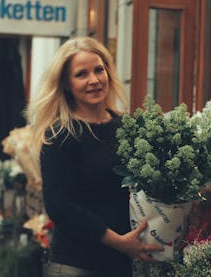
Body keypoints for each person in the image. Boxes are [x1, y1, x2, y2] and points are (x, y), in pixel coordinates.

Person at [27, 37, 163, 277]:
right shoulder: (61, 134)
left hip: (123, 263)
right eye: (81, 74)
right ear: (66, 84)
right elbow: (60, 206)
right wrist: (118, 241)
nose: (94, 80)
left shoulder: (127, 127)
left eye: (99, 70)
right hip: (77, 264)